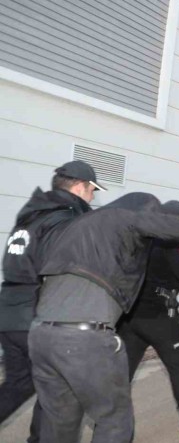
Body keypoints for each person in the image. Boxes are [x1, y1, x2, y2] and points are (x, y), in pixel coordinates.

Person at [29, 192, 179, 443]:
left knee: (60, 422)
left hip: (42, 334)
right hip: (84, 335)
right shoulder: (122, 217)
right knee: (114, 420)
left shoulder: (77, 226)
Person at [0, 160, 102, 442]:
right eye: (92, 191)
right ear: (80, 187)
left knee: (21, 383)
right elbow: (62, 269)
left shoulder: (33, 216)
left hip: (10, 313)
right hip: (38, 315)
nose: (92, 197)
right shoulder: (64, 220)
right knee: (59, 388)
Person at [118, 200, 179, 431]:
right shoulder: (172, 242)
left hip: (131, 314)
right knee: (177, 363)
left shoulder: (140, 239)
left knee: (123, 368)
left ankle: (107, 417)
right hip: (160, 315)